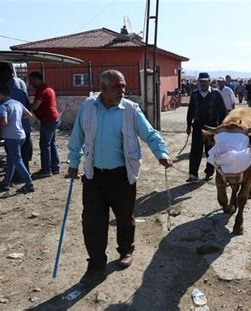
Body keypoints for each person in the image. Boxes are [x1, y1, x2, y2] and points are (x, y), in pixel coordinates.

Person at [67, 70, 172, 285]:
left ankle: (126, 250)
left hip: (122, 176)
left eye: (124, 86)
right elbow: (77, 136)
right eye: (117, 87)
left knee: (124, 218)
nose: (122, 91)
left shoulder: (130, 110)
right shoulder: (87, 107)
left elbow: (150, 133)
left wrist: (161, 153)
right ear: (103, 88)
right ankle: (96, 265)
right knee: (93, 223)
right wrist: (73, 163)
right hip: (93, 176)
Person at [186, 72, 227, 182]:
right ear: (198, 82)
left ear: (209, 82)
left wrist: (220, 126)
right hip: (198, 128)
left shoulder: (216, 94)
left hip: (212, 128)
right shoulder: (194, 94)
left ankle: (209, 172)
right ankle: (193, 175)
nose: (203, 83)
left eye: (205, 81)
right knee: (195, 151)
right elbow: (190, 111)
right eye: (201, 81)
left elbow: (223, 110)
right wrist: (188, 125)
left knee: (211, 151)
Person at [0, 84, 35, 193]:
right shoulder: (17, 103)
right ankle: (6, 183)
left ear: (0, 94)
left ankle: (29, 183)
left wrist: (0, 132)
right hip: (21, 135)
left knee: (17, 160)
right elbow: (30, 115)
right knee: (11, 160)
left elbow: (4, 122)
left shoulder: (3, 106)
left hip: (11, 136)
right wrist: (18, 117)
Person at [28, 71, 60, 178]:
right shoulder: (48, 88)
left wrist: (27, 109)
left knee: (45, 145)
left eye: (31, 81)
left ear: (37, 79)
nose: (30, 84)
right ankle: (55, 168)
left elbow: (36, 106)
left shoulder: (41, 90)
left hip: (48, 120)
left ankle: (46, 170)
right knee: (51, 144)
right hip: (54, 118)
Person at [1, 66, 33, 174]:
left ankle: (23, 179)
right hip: (24, 129)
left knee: (13, 156)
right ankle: (23, 175)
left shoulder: (2, 95)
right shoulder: (22, 87)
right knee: (23, 154)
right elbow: (29, 108)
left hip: (11, 132)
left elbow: (2, 118)